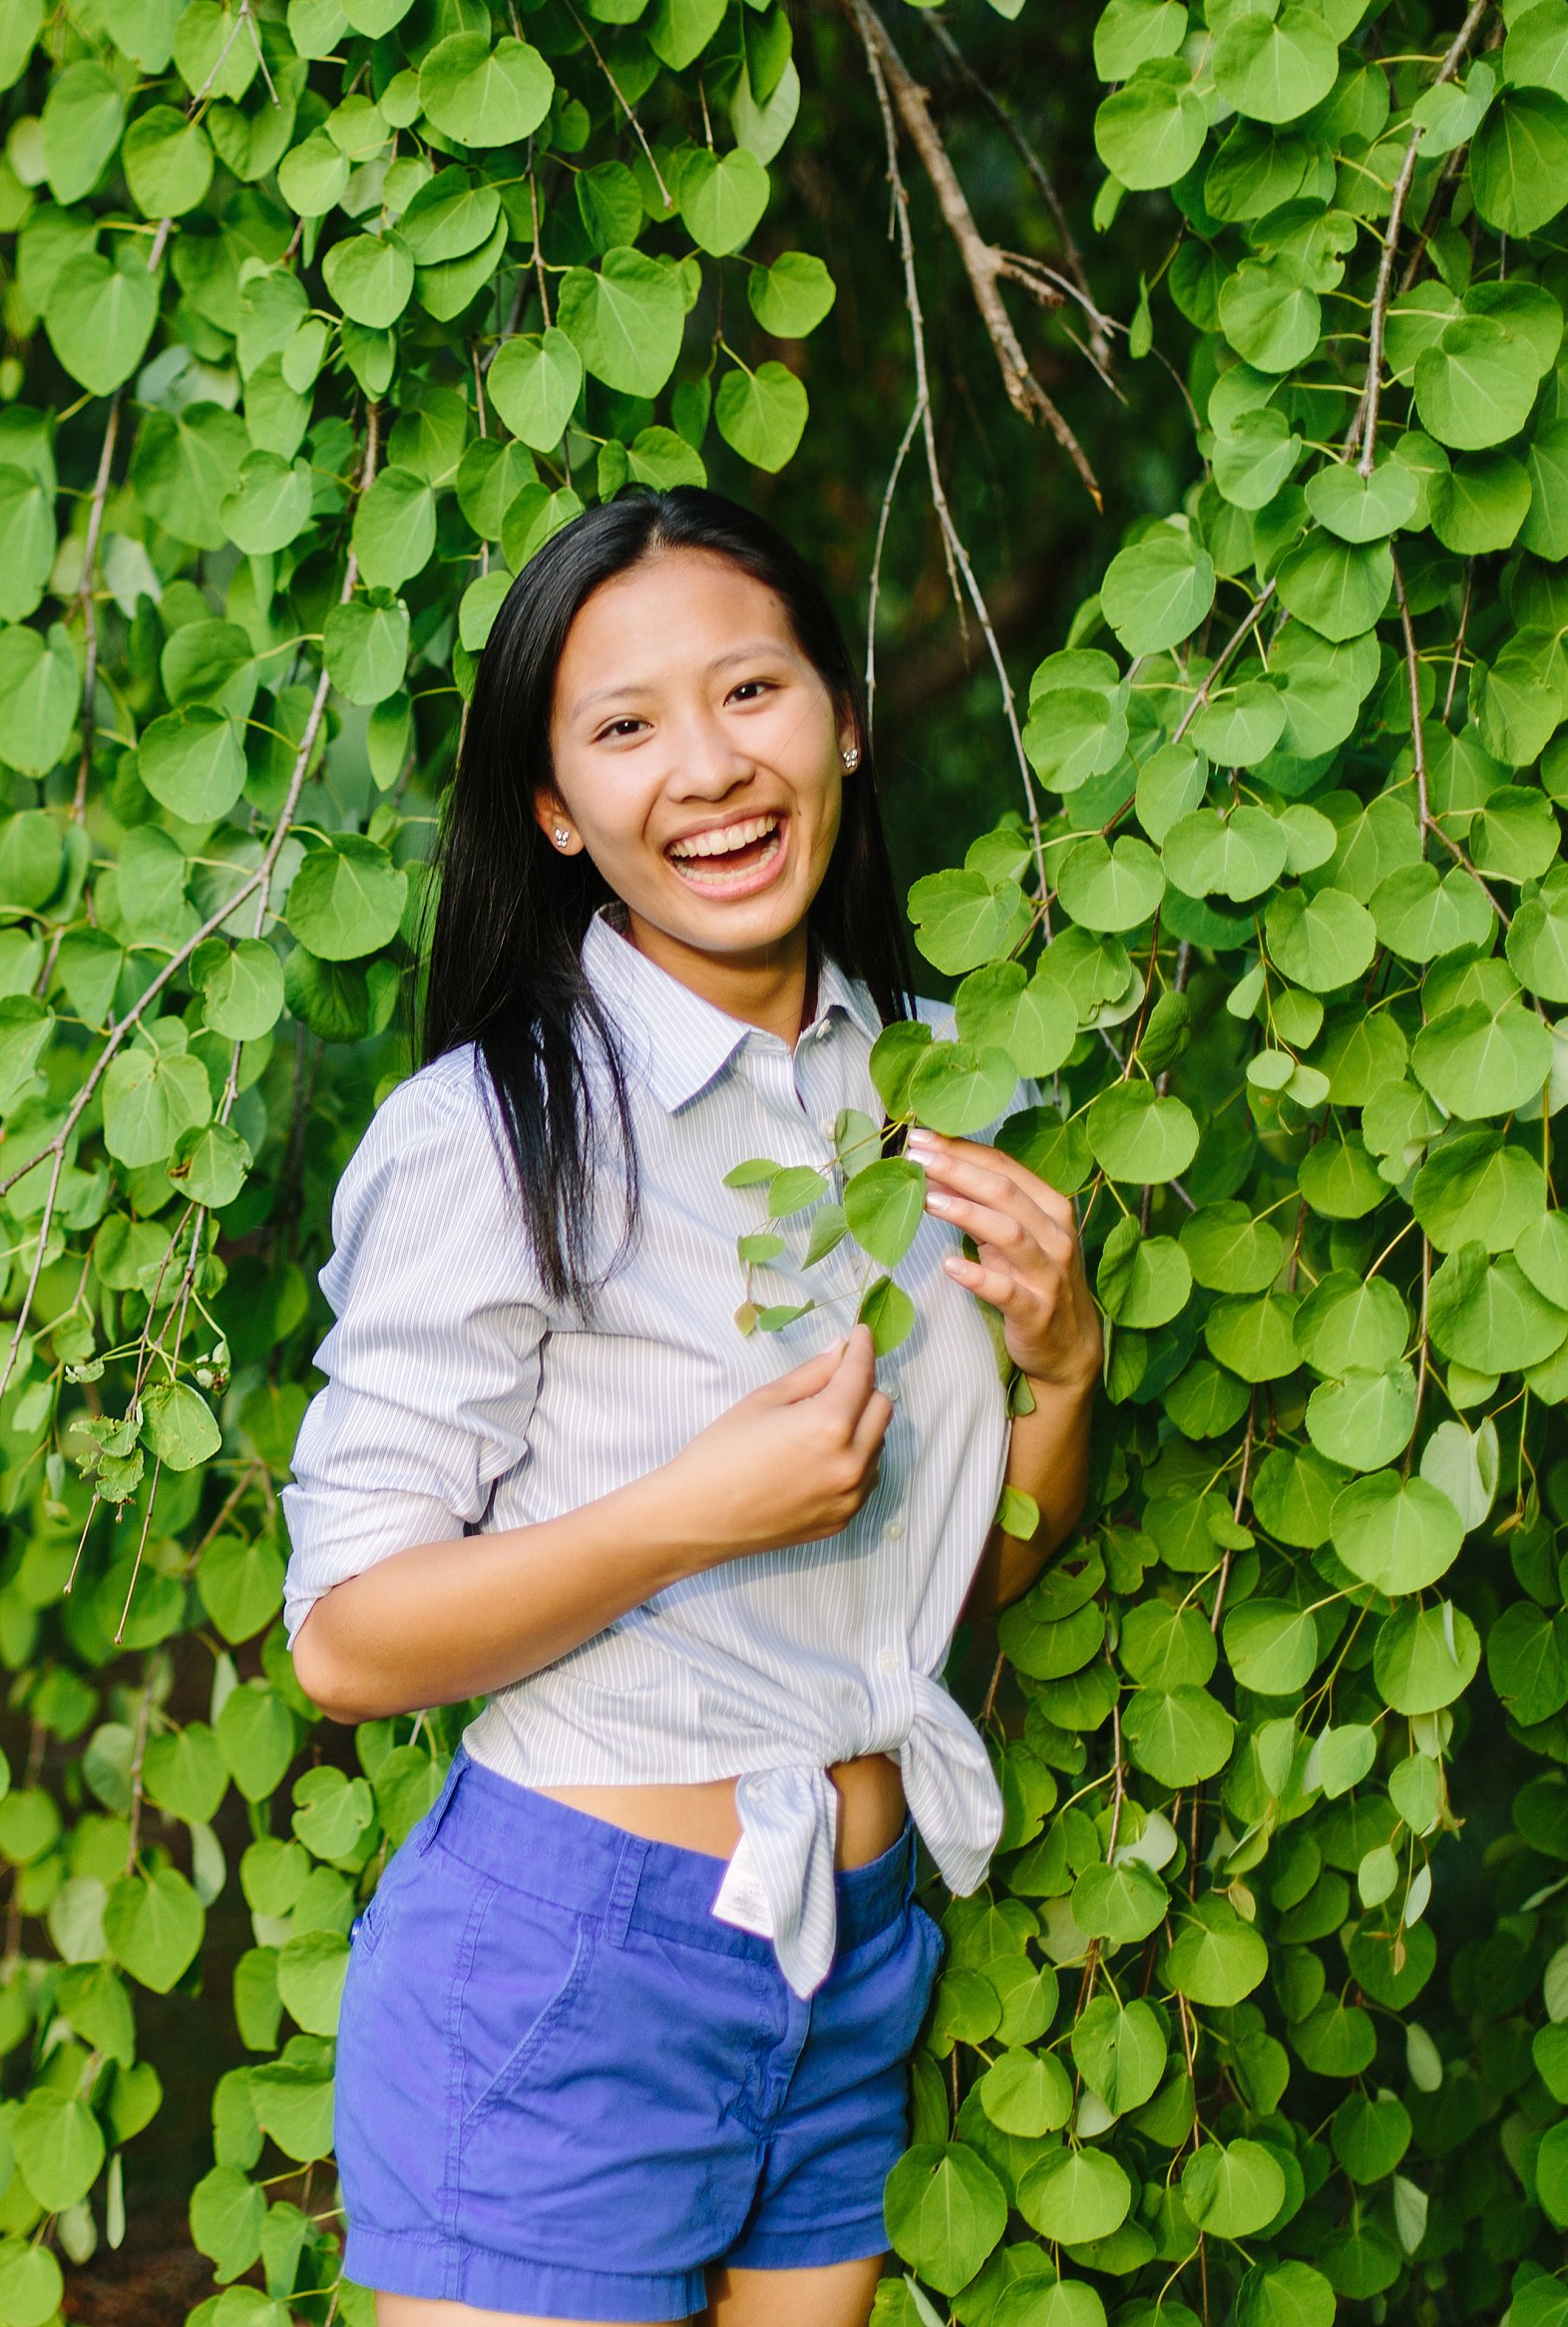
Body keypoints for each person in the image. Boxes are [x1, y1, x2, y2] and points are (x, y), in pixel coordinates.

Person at [282, 488, 1102, 2327]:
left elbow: (950, 1597)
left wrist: (1061, 1367)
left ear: (842, 717)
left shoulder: (939, 1080)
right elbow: (342, 1642)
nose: (711, 767)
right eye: (628, 726)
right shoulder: (491, 1137)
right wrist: (688, 1511)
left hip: (851, 1962)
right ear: (559, 810)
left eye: (752, 690)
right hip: (570, 1965)